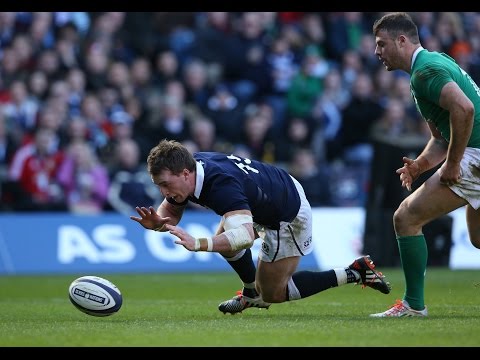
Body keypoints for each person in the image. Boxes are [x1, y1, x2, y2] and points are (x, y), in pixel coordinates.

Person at [130, 139, 391, 315]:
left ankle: (355, 271)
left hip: (286, 214)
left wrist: (198, 244)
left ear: (185, 174)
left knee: (275, 293)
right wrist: (158, 224)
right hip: (266, 194)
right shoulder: (189, 168)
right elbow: (170, 213)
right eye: (159, 186)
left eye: (165, 184)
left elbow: (243, 237)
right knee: (226, 242)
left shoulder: (221, 186)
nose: (164, 192)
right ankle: (250, 292)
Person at [370, 12, 480, 317]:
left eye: (381, 44)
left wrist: (453, 164)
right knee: (478, 238)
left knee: (406, 218)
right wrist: (419, 165)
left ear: (402, 41)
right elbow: (443, 139)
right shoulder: (429, 66)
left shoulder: (425, 72)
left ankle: (413, 305)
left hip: (476, 154)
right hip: (474, 151)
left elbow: (465, 108)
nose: (377, 51)